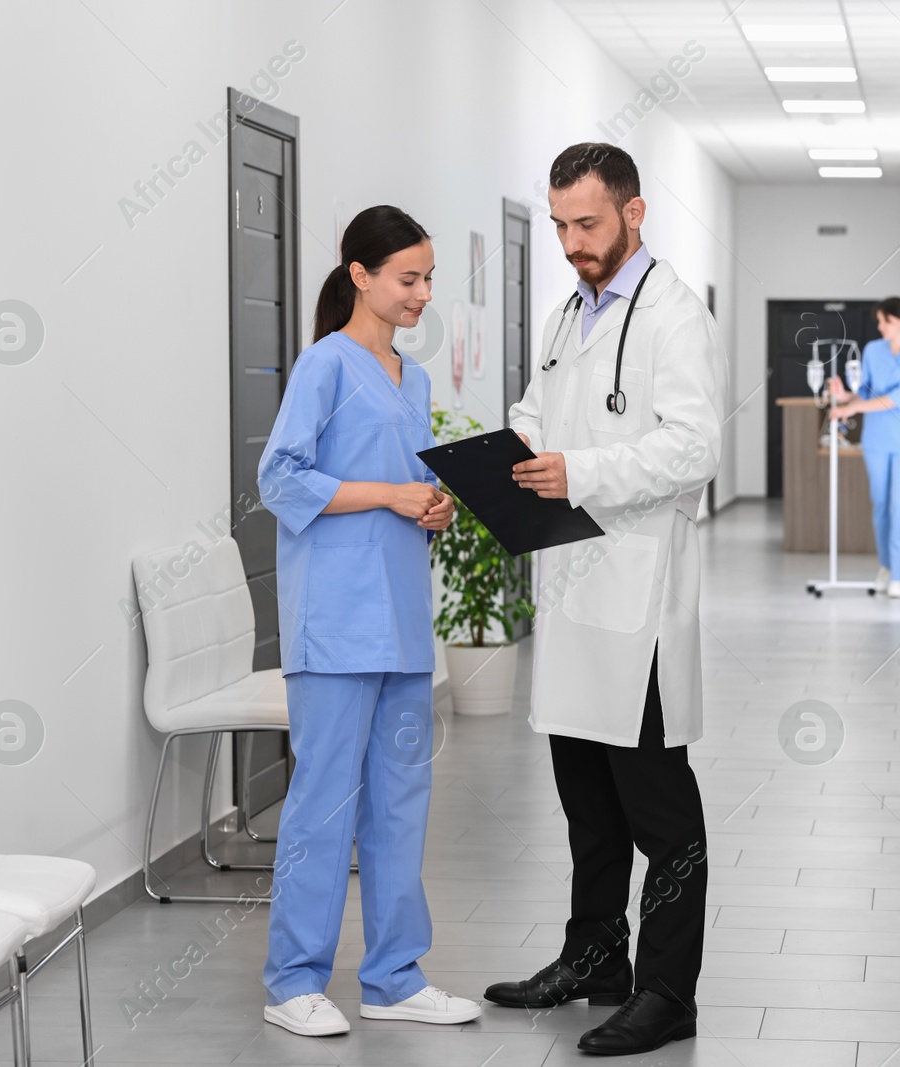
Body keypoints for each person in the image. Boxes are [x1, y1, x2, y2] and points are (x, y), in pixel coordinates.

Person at [484, 143, 723, 1057]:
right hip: (575, 589)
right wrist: (513, 447)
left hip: (642, 603)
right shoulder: (566, 314)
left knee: (662, 814)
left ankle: (668, 990)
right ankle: (594, 958)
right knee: (587, 801)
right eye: (558, 225)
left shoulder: (674, 316)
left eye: (587, 223)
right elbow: (540, 408)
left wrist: (576, 470)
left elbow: (692, 448)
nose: (572, 242)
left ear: (634, 213)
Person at [256, 205, 481, 1037]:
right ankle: (294, 980)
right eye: (407, 278)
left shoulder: (411, 379)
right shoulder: (324, 365)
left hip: (399, 619)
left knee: (399, 802)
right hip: (334, 619)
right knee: (322, 802)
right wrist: (389, 494)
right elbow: (279, 480)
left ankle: (393, 974)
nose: (423, 294)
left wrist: (431, 506)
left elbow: (399, 480)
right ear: (361, 276)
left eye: (428, 279)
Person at [829, 296, 900, 598]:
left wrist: (854, 409)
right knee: (882, 505)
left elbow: (897, 398)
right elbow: (864, 391)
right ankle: (885, 566)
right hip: (876, 439)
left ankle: (898, 575)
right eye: (879, 321)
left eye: (886, 321)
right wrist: (846, 396)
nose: (880, 326)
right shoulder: (873, 351)